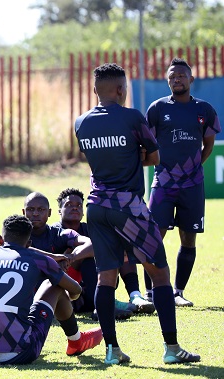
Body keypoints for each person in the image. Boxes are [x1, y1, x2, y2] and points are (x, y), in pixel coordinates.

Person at [75, 62, 200, 364]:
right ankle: (172, 349)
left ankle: (112, 351)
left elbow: (97, 158)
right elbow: (153, 157)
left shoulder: (81, 122)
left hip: (96, 207)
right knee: (159, 273)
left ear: (95, 90)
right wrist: (134, 157)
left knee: (106, 278)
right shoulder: (132, 117)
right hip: (128, 206)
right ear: (121, 89)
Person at [0, 215, 102, 365]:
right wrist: (69, 296)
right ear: (29, 243)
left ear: (1, 240)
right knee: (54, 284)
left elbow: (22, 250)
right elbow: (76, 289)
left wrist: (50, 256)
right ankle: (76, 341)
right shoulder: (37, 259)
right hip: (20, 352)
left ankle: (76, 341)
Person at [144, 58, 221, 307]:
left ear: (191, 80)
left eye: (181, 75)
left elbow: (208, 144)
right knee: (154, 237)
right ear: (167, 81)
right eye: (172, 76)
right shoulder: (157, 108)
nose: (176, 79)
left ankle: (178, 292)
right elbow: (147, 143)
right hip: (163, 183)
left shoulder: (205, 110)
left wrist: (195, 165)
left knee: (189, 238)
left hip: (193, 184)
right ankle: (150, 293)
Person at [54, 188, 155, 316]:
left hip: (98, 282)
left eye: (79, 205)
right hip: (71, 294)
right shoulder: (55, 231)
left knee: (119, 247)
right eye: (69, 205)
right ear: (59, 211)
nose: (75, 208)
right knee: (90, 257)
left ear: (83, 212)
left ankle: (135, 295)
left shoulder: (90, 229)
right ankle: (105, 305)